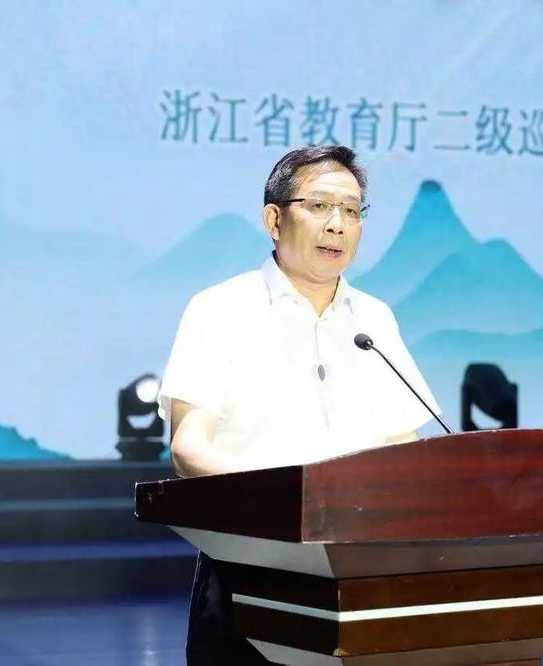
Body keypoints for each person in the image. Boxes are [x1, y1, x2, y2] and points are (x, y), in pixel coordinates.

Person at [156, 145, 440, 664]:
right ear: (274, 219)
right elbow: (189, 448)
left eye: (351, 211)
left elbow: (404, 447)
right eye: (320, 206)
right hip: (249, 566)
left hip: (361, 568)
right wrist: (290, 500)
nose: (337, 225)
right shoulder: (219, 309)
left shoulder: (374, 320)